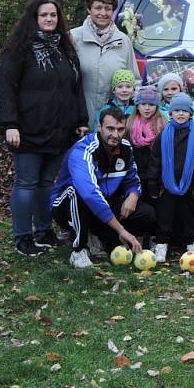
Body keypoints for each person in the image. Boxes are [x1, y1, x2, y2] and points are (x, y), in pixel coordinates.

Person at [0, 0, 89, 256]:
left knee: (47, 182)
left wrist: (81, 120)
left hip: (60, 129)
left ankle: (44, 230)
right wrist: (9, 124)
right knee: (26, 183)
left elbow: (75, 89)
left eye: (53, 15)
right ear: (34, 19)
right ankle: (23, 237)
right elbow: (6, 89)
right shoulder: (20, 51)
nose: (49, 19)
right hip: (27, 129)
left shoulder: (65, 50)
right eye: (44, 15)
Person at [50, 107, 154, 268]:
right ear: (99, 127)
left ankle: (102, 237)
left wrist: (133, 195)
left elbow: (133, 179)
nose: (115, 134)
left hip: (103, 204)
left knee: (146, 213)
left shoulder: (126, 148)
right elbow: (90, 193)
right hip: (68, 205)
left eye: (120, 129)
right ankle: (79, 250)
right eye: (110, 129)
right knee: (77, 194)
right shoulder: (83, 149)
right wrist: (121, 230)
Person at [147, 93, 194, 261]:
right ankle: (162, 243)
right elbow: (155, 161)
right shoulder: (163, 136)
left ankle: (192, 242)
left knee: (190, 215)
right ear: (171, 113)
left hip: (190, 185)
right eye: (177, 110)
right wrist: (152, 182)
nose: (181, 114)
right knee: (165, 216)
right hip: (166, 185)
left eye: (184, 110)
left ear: (191, 113)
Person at [71, 0, 140, 129]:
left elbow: (135, 82)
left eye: (108, 8)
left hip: (114, 127)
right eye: (98, 8)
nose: (103, 13)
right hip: (78, 122)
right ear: (89, 9)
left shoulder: (123, 41)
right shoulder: (73, 38)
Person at [125, 86, 167, 190]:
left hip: (157, 176)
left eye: (151, 104)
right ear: (137, 106)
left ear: (157, 107)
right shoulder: (129, 124)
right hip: (136, 175)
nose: (147, 108)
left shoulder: (162, 125)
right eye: (143, 104)